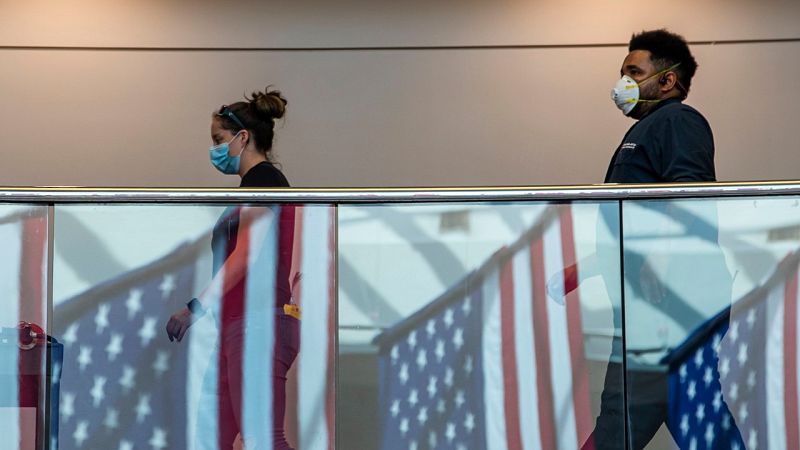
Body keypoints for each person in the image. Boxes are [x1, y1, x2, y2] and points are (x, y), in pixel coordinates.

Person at [560, 30, 743, 449]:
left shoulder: (678, 120)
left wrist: (658, 263)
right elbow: (632, 224)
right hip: (654, 306)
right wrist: (582, 270)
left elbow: (691, 196)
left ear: (667, 80)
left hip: (665, 307)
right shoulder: (649, 129)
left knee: (623, 418)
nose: (622, 83)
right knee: (690, 417)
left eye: (634, 72)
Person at [165, 87, 299, 450]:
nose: (214, 149)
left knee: (263, 438)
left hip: (259, 322)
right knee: (212, 437)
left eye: (218, 139)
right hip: (240, 324)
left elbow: (245, 255)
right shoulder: (249, 189)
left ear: (242, 137)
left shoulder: (265, 181)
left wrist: (195, 308)